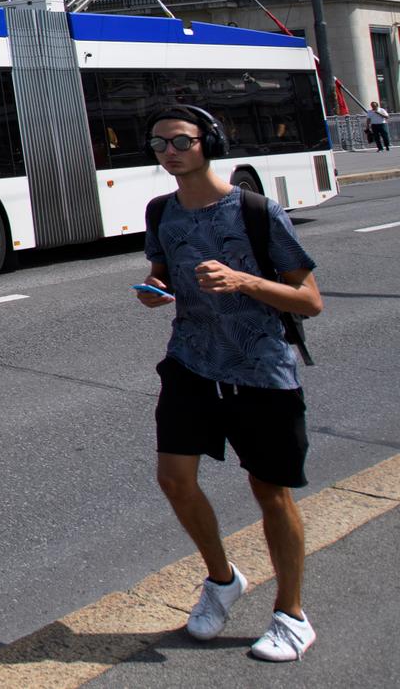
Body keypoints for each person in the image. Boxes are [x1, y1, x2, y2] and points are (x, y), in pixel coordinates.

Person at [139, 106, 323, 662]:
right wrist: (153, 288)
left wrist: (242, 278)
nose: (169, 152)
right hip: (191, 361)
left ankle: (291, 613)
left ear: (207, 144)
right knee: (174, 478)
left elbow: (310, 300)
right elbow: (162, 272)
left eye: (180, 141)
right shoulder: (160, 212)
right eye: (158, 144)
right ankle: (222, 580)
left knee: (270, 492)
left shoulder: (255, 210)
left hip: (261, 369)